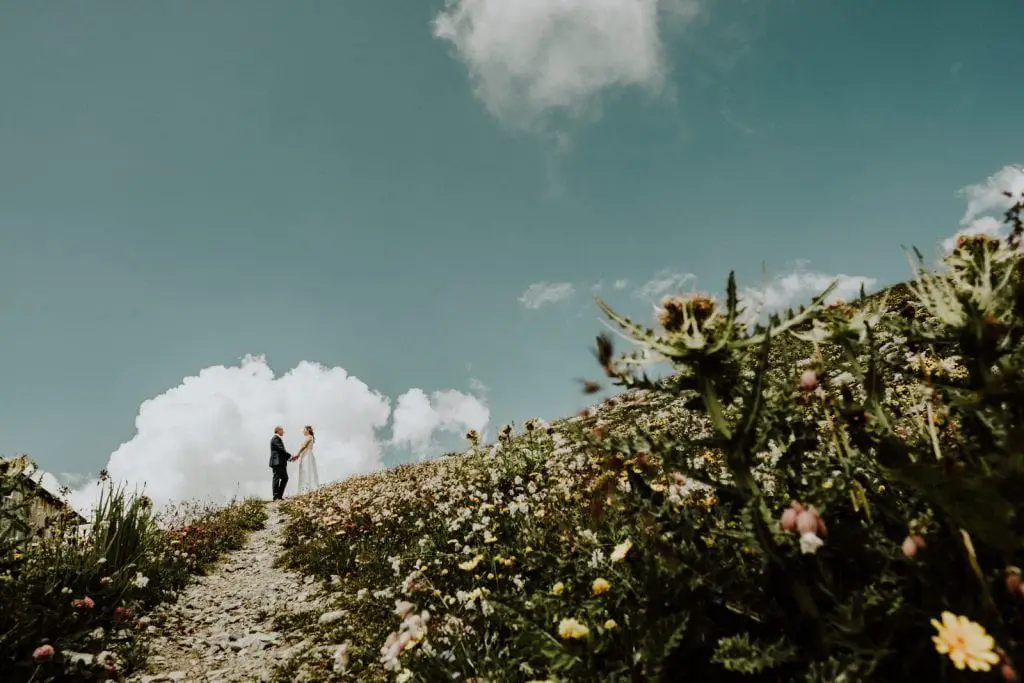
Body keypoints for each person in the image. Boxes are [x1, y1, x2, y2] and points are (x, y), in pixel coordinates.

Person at [269, 426, 293, 501]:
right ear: (278, 430)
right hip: (277, 463)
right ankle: (276, 497)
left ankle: (279, 496)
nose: (283, 432)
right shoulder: (275, 438)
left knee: (285, 478)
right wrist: (290, 456)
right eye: (282, 431)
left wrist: (289, 458)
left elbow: (281, 452)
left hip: (281, 462)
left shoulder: (277, 438)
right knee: (276, 478)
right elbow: (281, 450)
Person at [294, 424, 320, 493]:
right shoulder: (309, 437)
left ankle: (308, 488)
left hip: (307, 455)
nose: (303, 431)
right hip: (306, 454)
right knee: (305, 470)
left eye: (304, 430)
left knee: (307, 469)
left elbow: (304, 446)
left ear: (308, 430)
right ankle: (305, 488)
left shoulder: (309, 437)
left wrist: (297, 454)